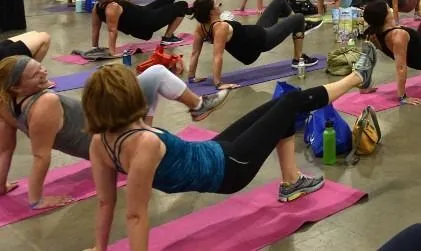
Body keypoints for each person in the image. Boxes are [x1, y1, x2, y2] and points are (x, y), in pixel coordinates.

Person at [82, 51, 377, 250]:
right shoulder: (143, 143)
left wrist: (99, 247)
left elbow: (105, 203)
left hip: (215, 152)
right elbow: (135, 216)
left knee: (279, 107)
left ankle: (291, 181)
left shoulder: (100, 143)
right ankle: (356, 78)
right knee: (291, 101)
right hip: (231, 169)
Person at [0, 55, 228, 211]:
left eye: (40, 66)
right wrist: (36, 200)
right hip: (117, 136)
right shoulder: (45, 103)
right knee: (157, 73)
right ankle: (198, 106)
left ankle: (184, 112)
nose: (44, 71)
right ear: (17, 87)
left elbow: (6, 148)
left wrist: (1, 185)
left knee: (150, 83)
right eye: (36, 74)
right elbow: (41, 156)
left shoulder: (5, 104)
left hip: (111, 132)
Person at [187, 0, 321, 88]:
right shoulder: (220, 28)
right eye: (216, 4)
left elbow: (195, 53)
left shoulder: (201, 27)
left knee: (280, 0)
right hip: (261, 41)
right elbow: (217, 57)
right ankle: (298, 58)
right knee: (299, 17)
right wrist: (218, 83)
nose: (219, 5)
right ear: (211, 12)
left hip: (257, 32)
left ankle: (298, 28)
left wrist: (191, 77)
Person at [90, 0, 197, 54]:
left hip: (144, 12)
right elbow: (112, 31)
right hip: (146, 22)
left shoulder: (97, 7)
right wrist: (112, 52)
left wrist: (95, 48)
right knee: (182, 5)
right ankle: (167, 38)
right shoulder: (112, 8)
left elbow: (95, 29)